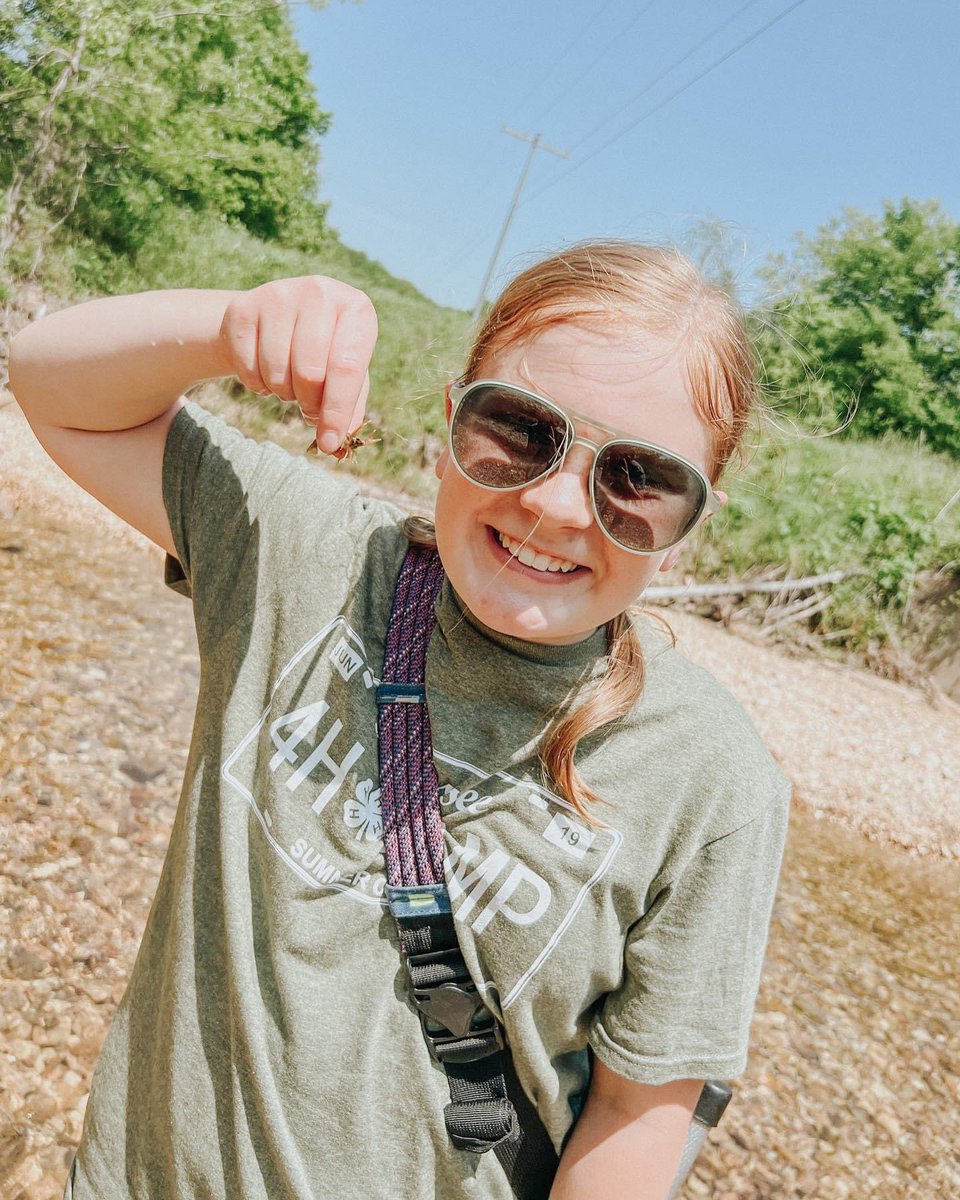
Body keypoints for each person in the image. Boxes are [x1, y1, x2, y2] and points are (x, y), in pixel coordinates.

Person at [9, 241, 791, 1200]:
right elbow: (50, 380)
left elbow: (637, 1116)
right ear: (450, 419)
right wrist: (229, 326)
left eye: (636, 479)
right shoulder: (304, 554)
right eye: (520, 427)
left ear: (688, 524)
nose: (551, 505)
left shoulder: (713, 783)